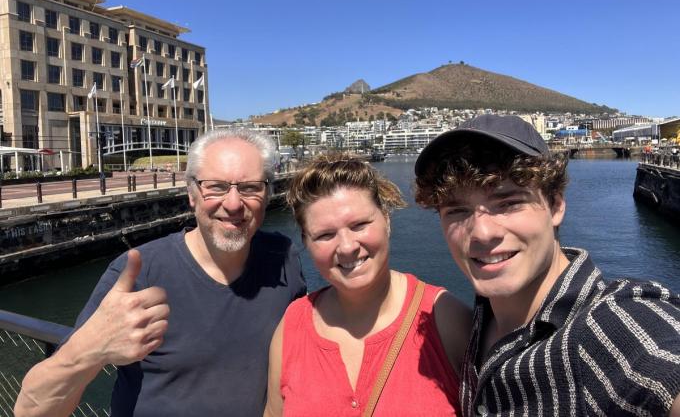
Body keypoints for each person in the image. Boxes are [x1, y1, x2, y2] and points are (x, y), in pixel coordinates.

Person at [15, 129, 307, 417]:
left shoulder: (283, 257)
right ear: (192, 194)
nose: (232, 203)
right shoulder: (139, 273)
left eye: (250, 187)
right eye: (215, 186)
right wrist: (90, 348)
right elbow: (31, 411)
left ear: (267, 194)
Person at [413, 114, 680, 416]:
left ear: (556, 206)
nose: (483, 233)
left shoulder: (606, 326)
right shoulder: (484, 318)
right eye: (458, 210)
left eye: (509, 203)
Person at [265, 155, 471, 416]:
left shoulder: (445, 319)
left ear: (386, 219)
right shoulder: (293, 325)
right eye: (325, 235)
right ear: (306, 242)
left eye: (359, 225)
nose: (348, 246)